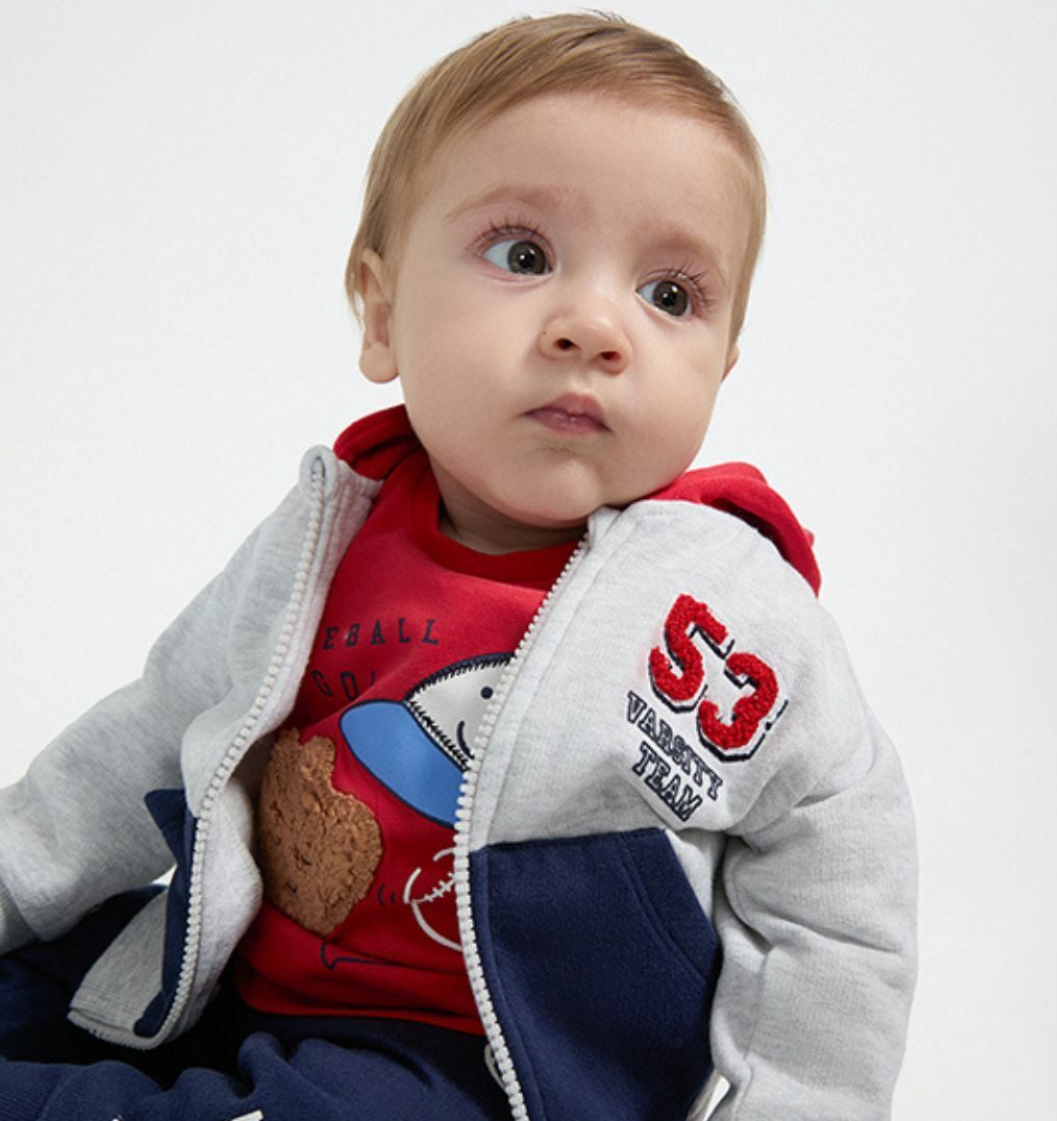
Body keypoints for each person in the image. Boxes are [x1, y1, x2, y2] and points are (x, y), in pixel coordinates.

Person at [0, 12, 917, 1121]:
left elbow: (838, 895)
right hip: (241, 972)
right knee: (40, 981)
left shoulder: (724, 619)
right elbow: (156, 725)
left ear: (721, 366)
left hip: (486, 1064)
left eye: (669, 295)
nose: (595, 326)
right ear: (382, 313)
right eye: (523, 255)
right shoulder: (326, 534)